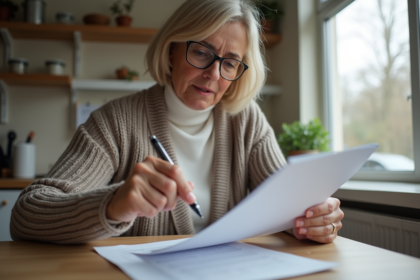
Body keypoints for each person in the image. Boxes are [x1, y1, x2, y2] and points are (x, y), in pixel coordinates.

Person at [10, 0, 343, 244]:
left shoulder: (247, 122)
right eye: (201, 52)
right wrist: (112, 205)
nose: (214, 74)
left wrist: (312, 217)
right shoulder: (116, 122)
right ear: (171, 49)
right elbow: (27, 214)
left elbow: (285, 205)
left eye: (230, 63)